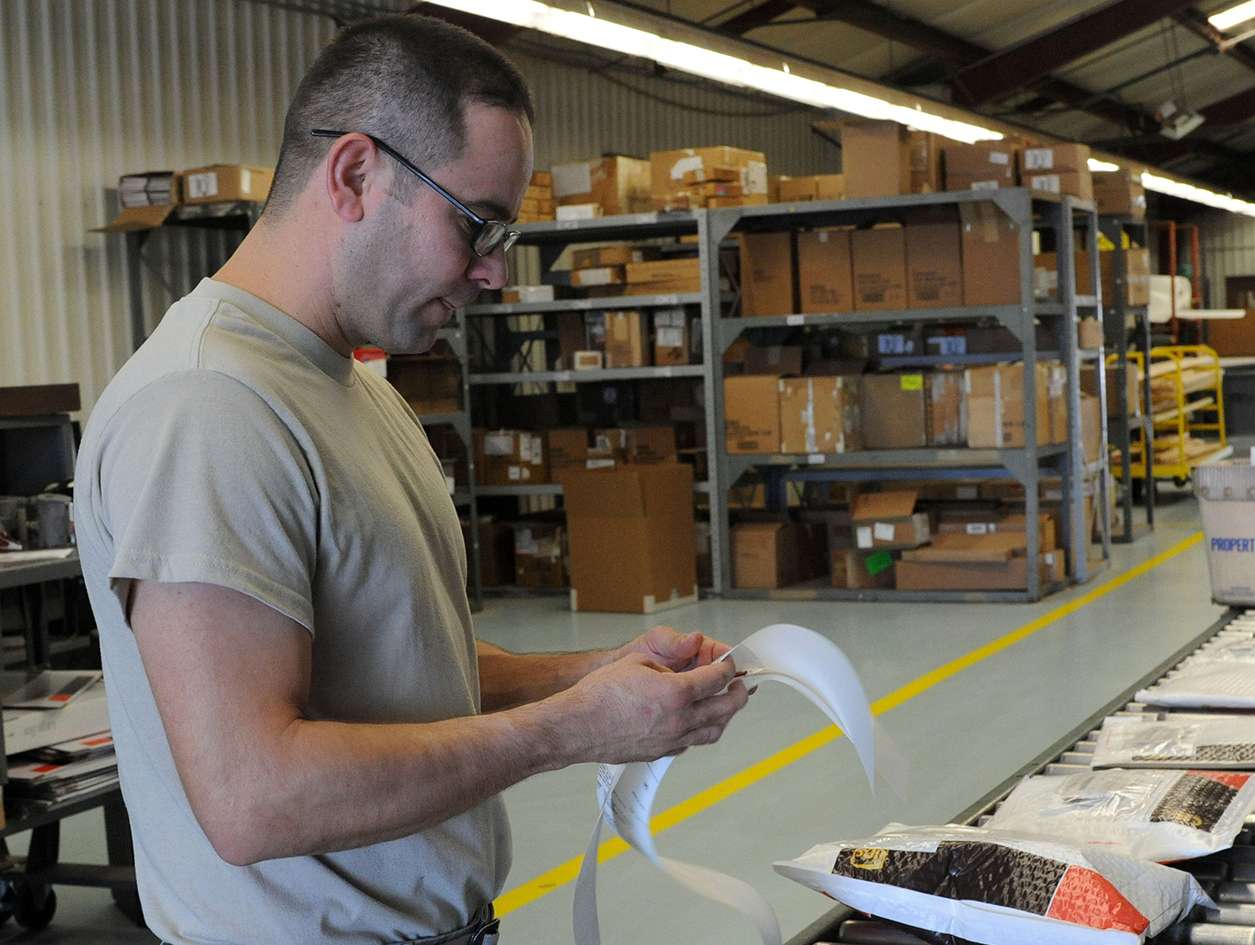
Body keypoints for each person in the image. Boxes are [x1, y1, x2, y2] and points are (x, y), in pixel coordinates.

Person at [72, 16, 750, 944]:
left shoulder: (347, 383)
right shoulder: (209, 405)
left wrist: (597, 675)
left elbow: (402, 670)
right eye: (475, 223)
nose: (494, 271)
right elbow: (253, 796)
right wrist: (574, 731)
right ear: (355, 174)